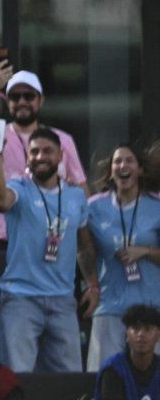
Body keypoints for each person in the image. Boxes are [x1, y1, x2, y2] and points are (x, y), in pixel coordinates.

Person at [0, 127, 98, 372]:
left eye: (48, 151)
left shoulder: (76, 196)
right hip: (21, 300)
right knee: (18, 377)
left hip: (63, 301)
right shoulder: (20, 188)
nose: (40, 156)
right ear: (27, 158)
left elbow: (84, 246)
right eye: (34, 152)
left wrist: (92, 284)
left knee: (69, 382)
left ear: (60, 156)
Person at [0, 67, 87, 245]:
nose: (22, 102)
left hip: (51, 237)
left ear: (40, 100)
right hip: (7, 236)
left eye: (28, 96)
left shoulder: (61, 140)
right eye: (15, 97)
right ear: (7, 101)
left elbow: (82, 189)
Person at [84, 144, 160, 371]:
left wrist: (145, 251)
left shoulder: (156, 207)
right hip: (110, 305)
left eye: (129, 161)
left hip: (151, 306)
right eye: (117, 161)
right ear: (110, 171)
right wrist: (92, 287)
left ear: (140, 170)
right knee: (104, 376)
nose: (123, 166)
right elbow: (84, 250)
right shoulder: (94, 207)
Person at [91, 304, 160, 400]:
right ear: (127, 335)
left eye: (148, 329)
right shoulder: (113, 368)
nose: (141, 334)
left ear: (158, 335)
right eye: (135, 329)